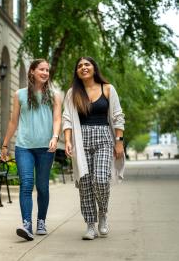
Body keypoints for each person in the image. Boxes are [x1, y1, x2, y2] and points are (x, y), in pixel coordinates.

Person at [62, 56, 125, 240]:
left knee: (100, 180)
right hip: (81, 140)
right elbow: (67, 118)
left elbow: (117, 115)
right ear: (77, 72)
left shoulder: (108, 89)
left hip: (104, 138)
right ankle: (90, 225)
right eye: (79, 66)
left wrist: (119, 140)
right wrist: (67, 141)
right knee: (85, 184)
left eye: (87, 64)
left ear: (94, 68)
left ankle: (103, 214)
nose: (83, 68)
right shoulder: (72, 93)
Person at [1, 59, 62, 241]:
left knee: (42, 187)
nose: (45, 73)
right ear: (32, 72)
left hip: (46, 148)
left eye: (47, 70)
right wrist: (5, 145)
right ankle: (26, 224)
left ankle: (41, 221)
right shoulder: (19, 94)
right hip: (24, 147)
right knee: (26, 184)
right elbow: (13, 122)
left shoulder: (54, 95)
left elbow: (57, 119)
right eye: (42, 69)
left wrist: (55, 137)